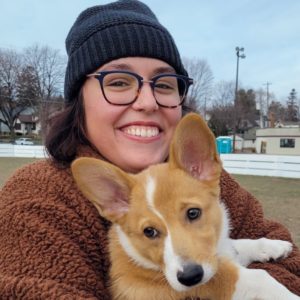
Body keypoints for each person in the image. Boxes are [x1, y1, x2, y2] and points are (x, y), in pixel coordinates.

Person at [0, 0, 299, 299]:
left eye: (165, 84)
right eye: (118, 82)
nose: (147, 101)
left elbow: (290, 259)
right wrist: (240, 284)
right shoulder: (34, 200)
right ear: (79, 102)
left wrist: (240, 267)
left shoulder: (199, 178)